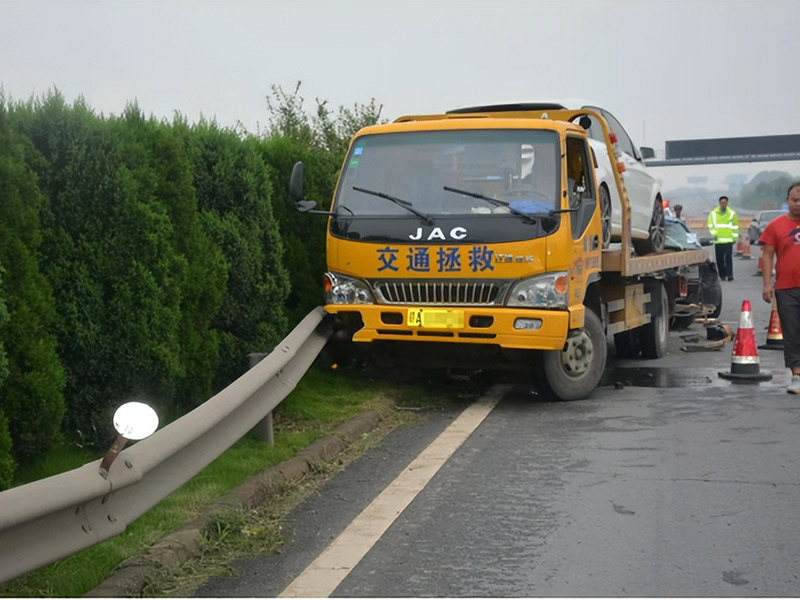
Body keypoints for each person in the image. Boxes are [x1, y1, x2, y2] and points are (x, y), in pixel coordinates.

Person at [760, 182, 800, 394]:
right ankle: (796, 375)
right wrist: (767, 284)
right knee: (792, 333)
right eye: (795, 200)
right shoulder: (775, 226)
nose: (799, 204)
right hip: (787, 289)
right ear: (787, 201)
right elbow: (767, 255)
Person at [707, 195, 739, 281]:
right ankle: (722, 275)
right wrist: (714, 234)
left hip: (729, 240)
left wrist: (734, 238)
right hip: (718, 241)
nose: (723, 204)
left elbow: (735, 226)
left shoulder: (732, 213)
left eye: (725, 203)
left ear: (727, 203)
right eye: (722, 203)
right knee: (720, 260)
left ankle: (730, 275)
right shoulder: (713, 214)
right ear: (719, 203)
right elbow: (710, 225)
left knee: (728, 258)